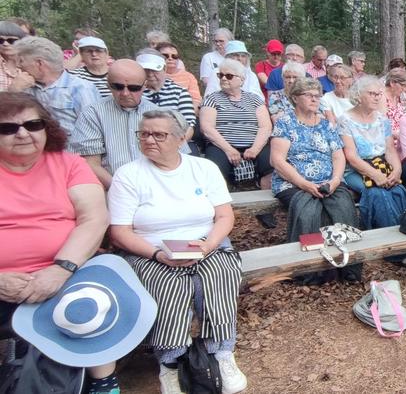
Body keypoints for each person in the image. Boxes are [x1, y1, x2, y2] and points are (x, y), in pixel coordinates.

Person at [108, 109, 247, 394]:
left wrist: (208, 245)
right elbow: (120, 232)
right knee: (169, 284)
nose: (149, 140)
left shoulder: (203, 168)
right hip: (151, 250)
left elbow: (224, 216)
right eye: (144, 134)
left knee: (221, 273)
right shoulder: (128, 174)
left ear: (181, 138)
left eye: (159, 135)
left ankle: (222, 351)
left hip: (205, 243)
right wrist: (158, 255)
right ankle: (170, 361)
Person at [0, 92, 121, 394]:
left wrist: (60, 269)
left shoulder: (69, 164)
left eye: (33, 124)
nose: (23, 133)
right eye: (8, 128)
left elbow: (94, 219)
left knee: (98, 291)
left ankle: (103, 382)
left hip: (68, 269)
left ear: (47, 127)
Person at [269, 78, 358, 243]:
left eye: (317, 96)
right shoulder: (285, 123)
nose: (314, 99)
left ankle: (345, 254)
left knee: (343, 207)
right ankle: (311, 256)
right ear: (295, 98)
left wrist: (335, 180)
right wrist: (304, 184)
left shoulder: (326, 125)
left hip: (329, 182)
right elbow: (277, 161)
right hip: (294, 183)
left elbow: (338, 156)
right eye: (309, 95)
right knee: (308, 212)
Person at [70, 59, 177, 189]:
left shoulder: (160, 115)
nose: (125, 93)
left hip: (157, 187)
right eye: (118, 87)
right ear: (108, 85)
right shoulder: (93, 113)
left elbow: (176, 158)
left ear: (144, 85)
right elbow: (90, 164)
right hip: (110, 188)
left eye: (133, 88)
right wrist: (122, 189)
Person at [337, 75, 406, 229]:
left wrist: (397, 170)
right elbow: (351, 157)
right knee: (377, 193)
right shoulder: (345, 120)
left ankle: (405, 231)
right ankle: (387, 236)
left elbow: (390, 150)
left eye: (379, 94)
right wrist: (375, 175)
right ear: (358, 95)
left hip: (382, 165)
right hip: (356, 170)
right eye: (372, 93)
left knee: (398, 190)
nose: (377, 97)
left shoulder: (382, 120)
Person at [200, 59, 273, 189]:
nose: (223, 78)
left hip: (255, 145)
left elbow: (265, 127)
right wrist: (229, 149)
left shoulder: (254, 99)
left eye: (229, 76)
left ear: (241, 80)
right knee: (215, 170)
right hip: (221, 146)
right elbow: (207, 128)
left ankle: (268, 198)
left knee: (271, 166)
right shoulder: (212, 99)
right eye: (220, 75)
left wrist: (255, 149)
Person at [13, 36, 100, 136]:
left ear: (39, 63)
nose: (18, 66)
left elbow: (94, 129)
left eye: (21, 61)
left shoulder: (80, 88)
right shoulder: (24, 87)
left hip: (72, 145)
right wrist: (13, 91)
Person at [137, 51, 197, 128]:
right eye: (145, 70)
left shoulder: (179, 92)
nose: (150, 74)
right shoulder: (133, 92)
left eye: (155, 70)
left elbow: (189, 125)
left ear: (164, 69)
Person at [156, 41, 202, 107]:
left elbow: (196, 101)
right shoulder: (151, 76)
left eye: (174, 56)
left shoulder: (189, 77)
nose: (170, 58)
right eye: (165, 56)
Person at [0, 20, 30, 91]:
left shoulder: (31, 63)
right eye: (1, 40)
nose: (5, 44)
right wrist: (13, 89)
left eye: (11, 41)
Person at [383, 67, 406, 135]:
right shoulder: (380, 97)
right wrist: (397, 134)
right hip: (388, 138)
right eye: (402, 85)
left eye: (405, 86)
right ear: (392, 83)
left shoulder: (398, 96)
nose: (404, 89)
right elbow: (380, 127)